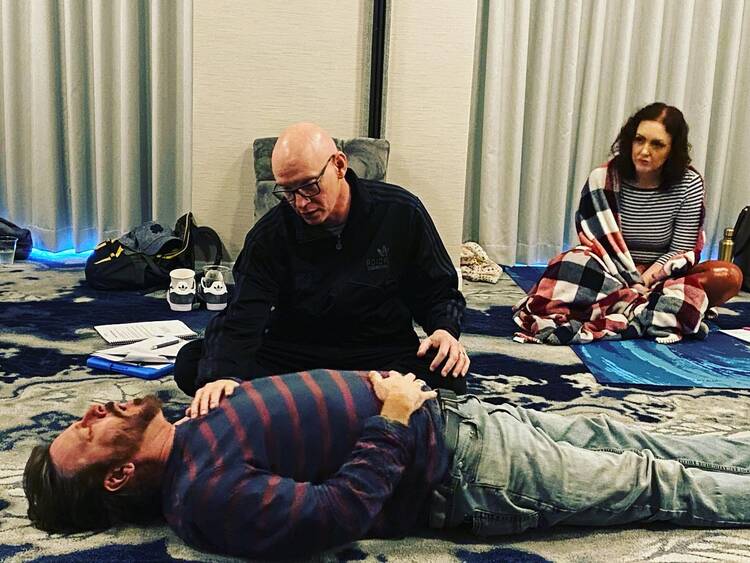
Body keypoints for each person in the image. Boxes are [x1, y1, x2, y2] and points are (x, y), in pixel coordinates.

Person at [24, 370, 750, 560]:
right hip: (470, 473)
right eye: (86, 431)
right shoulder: (202, 498)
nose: (93, 409)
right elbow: (337, 513)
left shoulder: (189, 433)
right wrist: (394, 415)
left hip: (463, 420)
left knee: (632, 437)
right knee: (655, 483)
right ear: (117, 476)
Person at [174, 122, 469, 398]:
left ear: (339, 165)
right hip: (297, 354)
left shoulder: (401, 212)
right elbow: (243, 315)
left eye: (309, 186)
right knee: (194, 363)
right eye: (288, 191)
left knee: (448, 371)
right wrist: (222, 376)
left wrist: (444, 330)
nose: (301, 202)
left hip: (379, 351)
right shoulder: (269, 235)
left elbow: (438, 290)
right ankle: (358, 400)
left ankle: (307, 401)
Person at [514, 102, 742, 345]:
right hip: (610, 271)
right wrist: (628, 279)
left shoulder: (690, 183)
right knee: (570, 263)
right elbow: (595, 243)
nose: (644, 151)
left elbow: (681, 250)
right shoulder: (602, 179)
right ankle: (658, 311)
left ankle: (631, 305)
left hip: (663, 276)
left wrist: (644, 281)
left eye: (657, 144)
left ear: (672, 150)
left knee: (729, 276)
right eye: (639, 140)